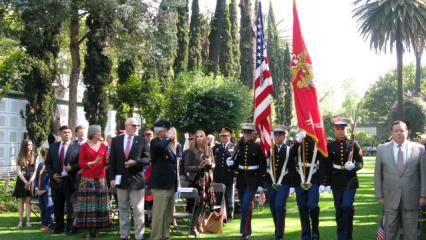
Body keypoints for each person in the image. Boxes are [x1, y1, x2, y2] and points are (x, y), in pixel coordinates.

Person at [374, 120, 426, 239]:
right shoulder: (382, 149)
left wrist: (423, 195)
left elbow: (423, 174)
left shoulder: (419, 149)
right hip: (390, 197)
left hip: (412, 197)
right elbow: (377, 174)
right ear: (391, 132)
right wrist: (379, 194)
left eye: (402, 130)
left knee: (411, 233)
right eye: (396, 131)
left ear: (407, 131)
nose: (399, 133)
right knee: (390, 231)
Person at [109, 117, 150, 240]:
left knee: (138, 211)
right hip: (121, 181)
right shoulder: (116, 141)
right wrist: (111, 178)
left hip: (137, 181)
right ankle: (124, 235)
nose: (136, 127)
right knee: (123, 209)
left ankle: (139, 236)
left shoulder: (142, 140)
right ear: (126, 126)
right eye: (133, 125)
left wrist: (135, 162)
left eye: (137, 126)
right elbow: (112, 162)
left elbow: (148, 159)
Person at [226, 123, 266, 240]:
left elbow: (262, 167)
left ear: (253, 134)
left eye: (249, 133)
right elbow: (237, 163)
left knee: (245, 205)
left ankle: (245, 233)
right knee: (246, 207)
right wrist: (231, 164)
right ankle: (247, 231)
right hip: (242, 180)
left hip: (253, 180)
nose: (247, 135)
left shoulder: (257, 147)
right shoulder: (240, 146)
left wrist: (260, 184)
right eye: (245, 133)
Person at [326, 117, 363, 240]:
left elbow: (360, 163)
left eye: (342, 129)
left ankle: (348, 236)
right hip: (336, 181)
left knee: (347, 206)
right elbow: (327, 165)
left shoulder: (353, 144)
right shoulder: (330, 145)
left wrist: (354, 166)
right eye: (337, 129)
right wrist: (325, 182)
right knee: (339, 211)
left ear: (346, 130)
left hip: (350, 181)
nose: (340, 131)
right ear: (335, 131)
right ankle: (341, 237)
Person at [76, 125, 112, 238]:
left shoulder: (103, 146)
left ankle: (97, 230)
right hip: (87, 179)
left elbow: (105, 162)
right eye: (98, 132)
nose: (100, 133)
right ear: (92, 133)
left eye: (101, 131)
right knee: (87, 206)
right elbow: (80, 163)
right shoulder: (84, 147)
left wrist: (107, 160)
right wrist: (92, 162)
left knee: (100, 205)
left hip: (101, 178)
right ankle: (88, 231)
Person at [45, 125, 80, 234]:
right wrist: (52, 175)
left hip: (70, 181)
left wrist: (72, 168)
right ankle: (58, 228)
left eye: (69, 132)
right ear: (60, 134)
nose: (67, 134)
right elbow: (48, 163)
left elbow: (80, 164)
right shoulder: (53, 147)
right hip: (56, 181)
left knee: (71, 206)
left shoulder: (77, 147)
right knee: (58, 206)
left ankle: (70, 228)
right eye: (64, 132)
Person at [265, 125, 298, 240]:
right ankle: (278, 228)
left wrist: (293, 185)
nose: (277, 137)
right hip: (271, 182)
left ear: (284, 136)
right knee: (273, 208)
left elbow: (292, 168)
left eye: (280, 135)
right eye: (275, 135)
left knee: (279, 206)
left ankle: (279, 234)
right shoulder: (269, 149)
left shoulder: (288, 150)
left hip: (284, 182)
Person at [292, 132, 326, 240]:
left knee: (312, 205)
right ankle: (306, 235)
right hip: (299, 180)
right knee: (302, 209)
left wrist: (323, 182)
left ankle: (315, 229)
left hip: (314, 179)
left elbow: (323, 163)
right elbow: (290, 156)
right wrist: (297, 141)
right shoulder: (297, 141)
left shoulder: (317, 141)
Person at [149, 120, 178, 240]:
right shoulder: (155, 142)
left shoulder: (168, 144)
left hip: (170, 184)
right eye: (167, 130)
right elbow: (160, 147)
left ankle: (165, 236)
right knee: (158, 215)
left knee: (168, 214)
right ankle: (155, 237)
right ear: (160, 131)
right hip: (160, 185)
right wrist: (169, 138)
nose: (169, 133)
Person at [184, 130, 215, 237]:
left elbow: (214, 165)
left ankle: (198, 225)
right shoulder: (191, 151)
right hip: (196, 181)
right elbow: (186, 167)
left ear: (204, 137)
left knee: (204, 204)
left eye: (201, 136)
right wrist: (199, 167)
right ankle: (192, 227)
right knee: (197, 204)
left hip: (207, 181)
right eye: (197, 136)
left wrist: (210, 163)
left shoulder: (209, 149)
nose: (199, 138)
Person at [213, 127, 235, 223]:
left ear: (229, 136)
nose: (223, 138)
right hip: (218, 176)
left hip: (229, 175)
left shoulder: (234, 147)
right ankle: (218, 216)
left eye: (225, 136)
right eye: (222, 136)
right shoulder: (216, 148)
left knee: (229, 198)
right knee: (218, 197)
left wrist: (235, 174)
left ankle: (229, 216)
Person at [13, 139, 36, 228]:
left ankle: (28, 222)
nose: (30, 146)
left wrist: (30, 182)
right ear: (24, 146)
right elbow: (18, 171)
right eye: (28, 145)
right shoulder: (19, 157)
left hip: (31, 181)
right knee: (21, 202)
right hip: (21, 182)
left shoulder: (35, 156)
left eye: (31, 144)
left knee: (28, 201)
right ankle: (20, 221)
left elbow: (36, 170)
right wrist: (26, 182)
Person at [33, 148, 54, 231]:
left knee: (49, 208)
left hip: (48, 191)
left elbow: (50, 180)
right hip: (39, 190)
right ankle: (43, 223)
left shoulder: (52, 166)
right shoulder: (41, 165)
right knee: (43, 208)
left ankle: (49, 224)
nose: (47, 156)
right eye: (45, 155)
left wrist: (44, 190)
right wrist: (36, 188)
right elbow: (36, 178)